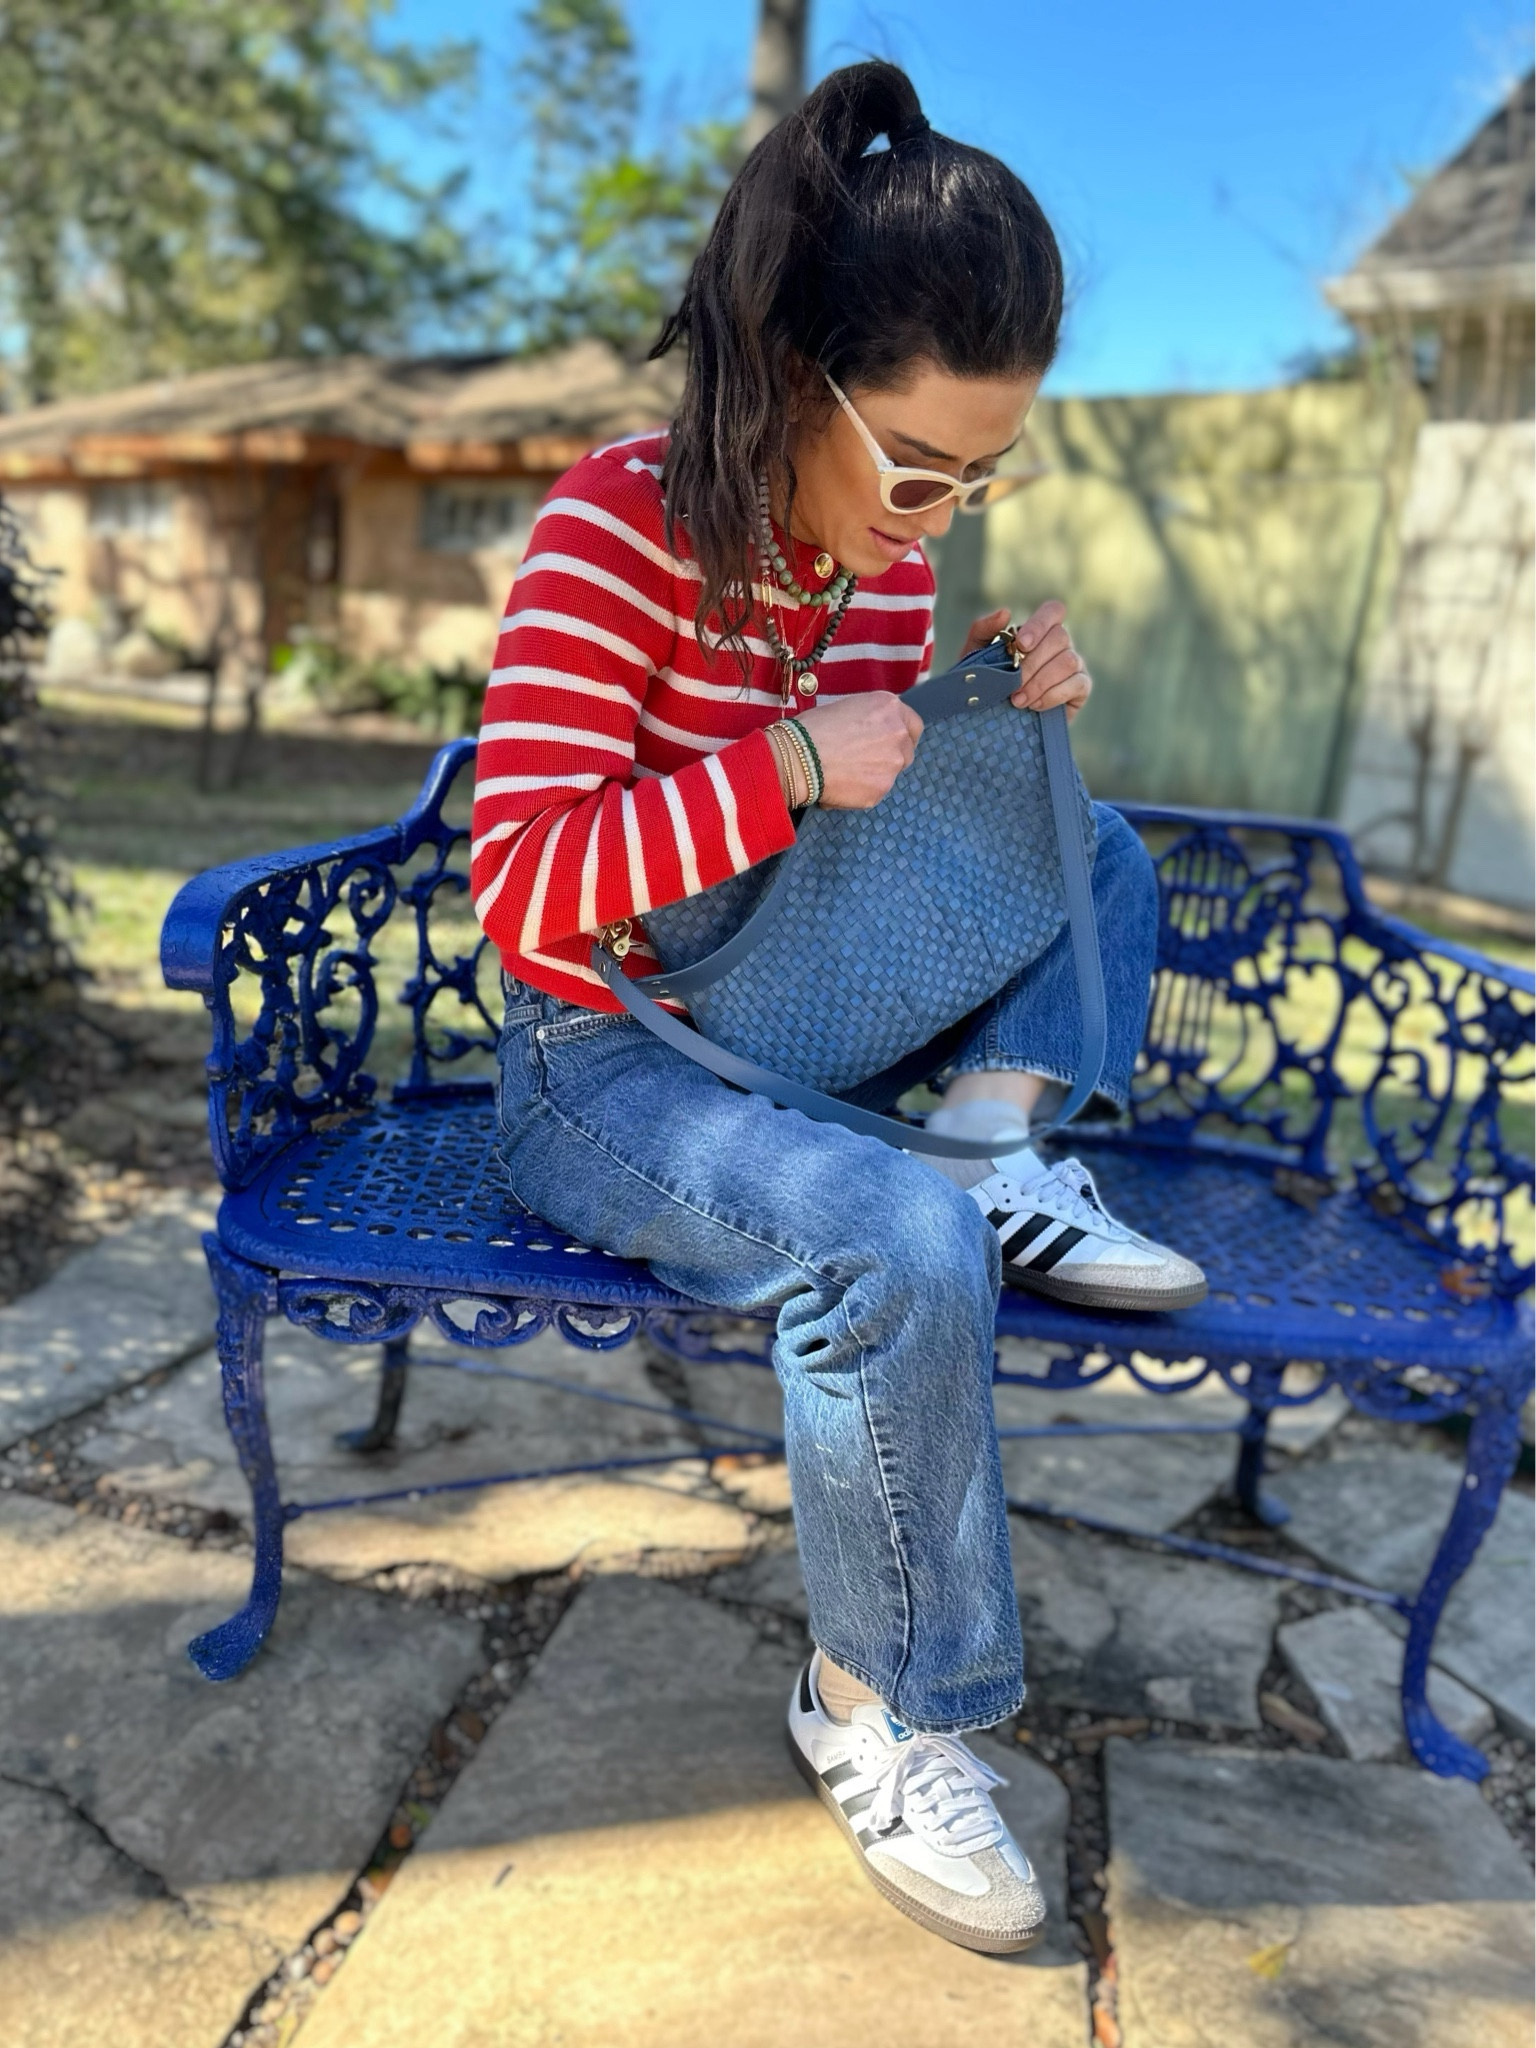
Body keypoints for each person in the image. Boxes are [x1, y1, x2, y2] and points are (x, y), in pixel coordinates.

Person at [472, 59, 1205, 1956]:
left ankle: (994, 1139)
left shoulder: (881, 567)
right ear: (796, 378)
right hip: (594, 1056)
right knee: (890, 1250)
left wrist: (989, 708)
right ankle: (878, 1706)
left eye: (986, 471)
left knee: (1092, 840)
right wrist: (787, 761)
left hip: (769, 1004)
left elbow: (886, 824)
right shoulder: (614, 530)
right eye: (919, 468)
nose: (944, 508)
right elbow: (523, 893)